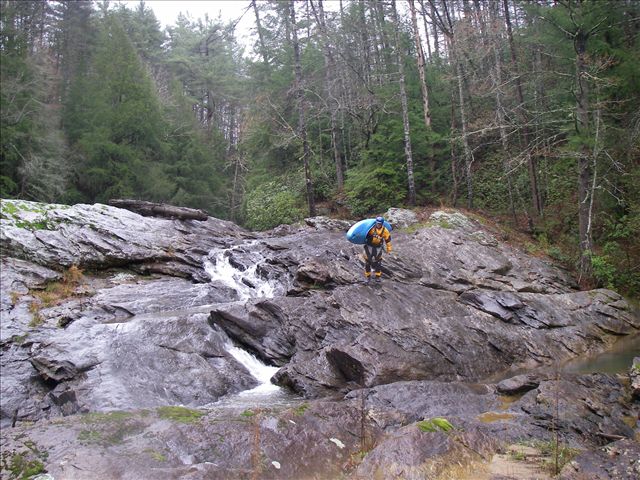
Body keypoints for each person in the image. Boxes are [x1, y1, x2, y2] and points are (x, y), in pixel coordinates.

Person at [364, 216, 392, 283]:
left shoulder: (385, 230)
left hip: (378, 247)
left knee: (378, 262)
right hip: (369, 246)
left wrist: (389, 249)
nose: (378, 225)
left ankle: (377, 276)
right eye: (377, 223)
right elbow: (364, 235)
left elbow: (388, 240)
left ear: (382, 224)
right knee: (367, 262)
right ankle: (368, 276)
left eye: (379, 224)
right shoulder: (371, 228)